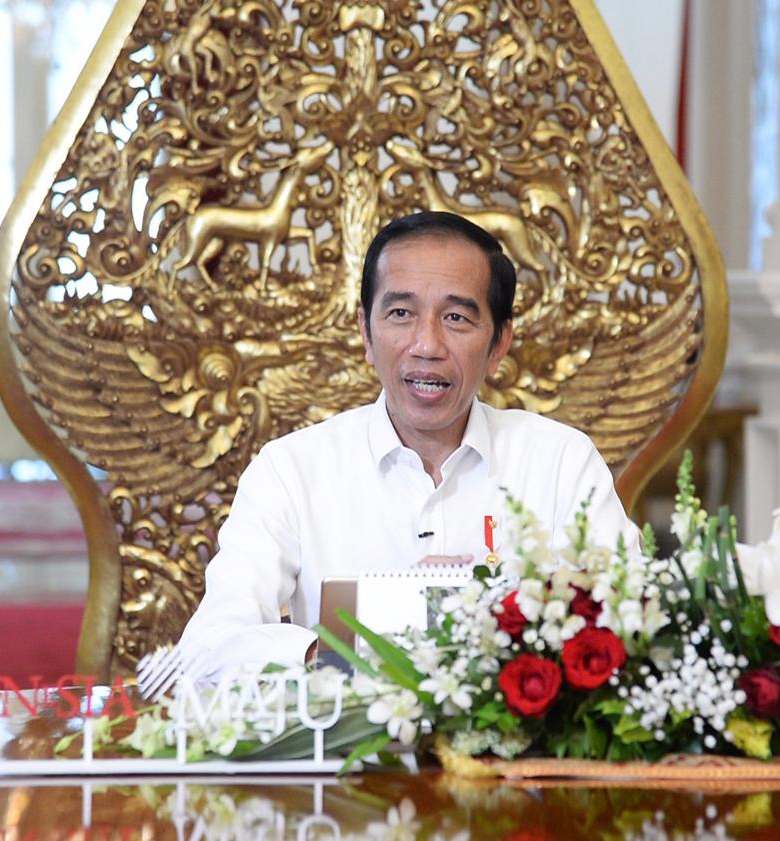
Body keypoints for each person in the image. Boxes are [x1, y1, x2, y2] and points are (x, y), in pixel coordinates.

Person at [179, 211, 639, 678]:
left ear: (499, 343)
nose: (427, 345)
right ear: (365, 331)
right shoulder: (290, 470)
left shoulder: (561, 462)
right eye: (401, 314)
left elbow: (632, 623)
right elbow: (206, 649)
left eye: (456, 317)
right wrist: (355, 647)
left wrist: (490, 622)